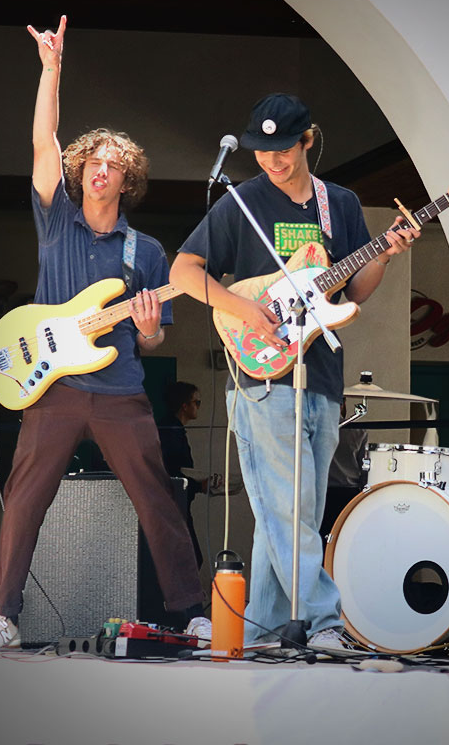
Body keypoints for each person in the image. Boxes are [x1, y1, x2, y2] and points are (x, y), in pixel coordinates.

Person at [0, 16, 209, 651]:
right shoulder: (56, 223)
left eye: (112, 164)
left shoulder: (148, 251)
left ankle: (191, 611)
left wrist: (151, 328)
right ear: (79, 173)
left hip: (122, 390)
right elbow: (43, 139)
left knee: (158, 499)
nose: (100, 169)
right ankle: (3, 616)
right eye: (92, 161)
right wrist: (51, 70)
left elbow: (153, 341)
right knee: (24, 500)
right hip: (53, 391)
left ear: (128, 179)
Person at [169, 93, 417, 648]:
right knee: (286, 508)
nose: (272, 161)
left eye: (283, 150)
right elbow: (184, 270)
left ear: (308, 140)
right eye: (261, 151)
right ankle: (326, 623)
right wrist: (240, 308)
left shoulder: (341, 204)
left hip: (323, 373)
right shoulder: (243, 201)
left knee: (292, 511)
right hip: (262, 377)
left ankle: (261, 626)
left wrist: (385, 252)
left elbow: (355, 292)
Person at [159, 380, 205, 567]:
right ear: (184, 406)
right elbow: (172, 471)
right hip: (174, 503)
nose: (198, 407)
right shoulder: (171, 433)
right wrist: (198, 485)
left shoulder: (173, 430)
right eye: (196, 402)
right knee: (191, 558)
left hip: (178, 501)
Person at [319, 403, 368, 546]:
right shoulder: (358, 431)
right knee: (344, 541)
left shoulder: (316, 429)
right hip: (349, 494)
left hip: (322, 492)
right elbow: (365, 467)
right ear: (342, 405)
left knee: (321, 540)